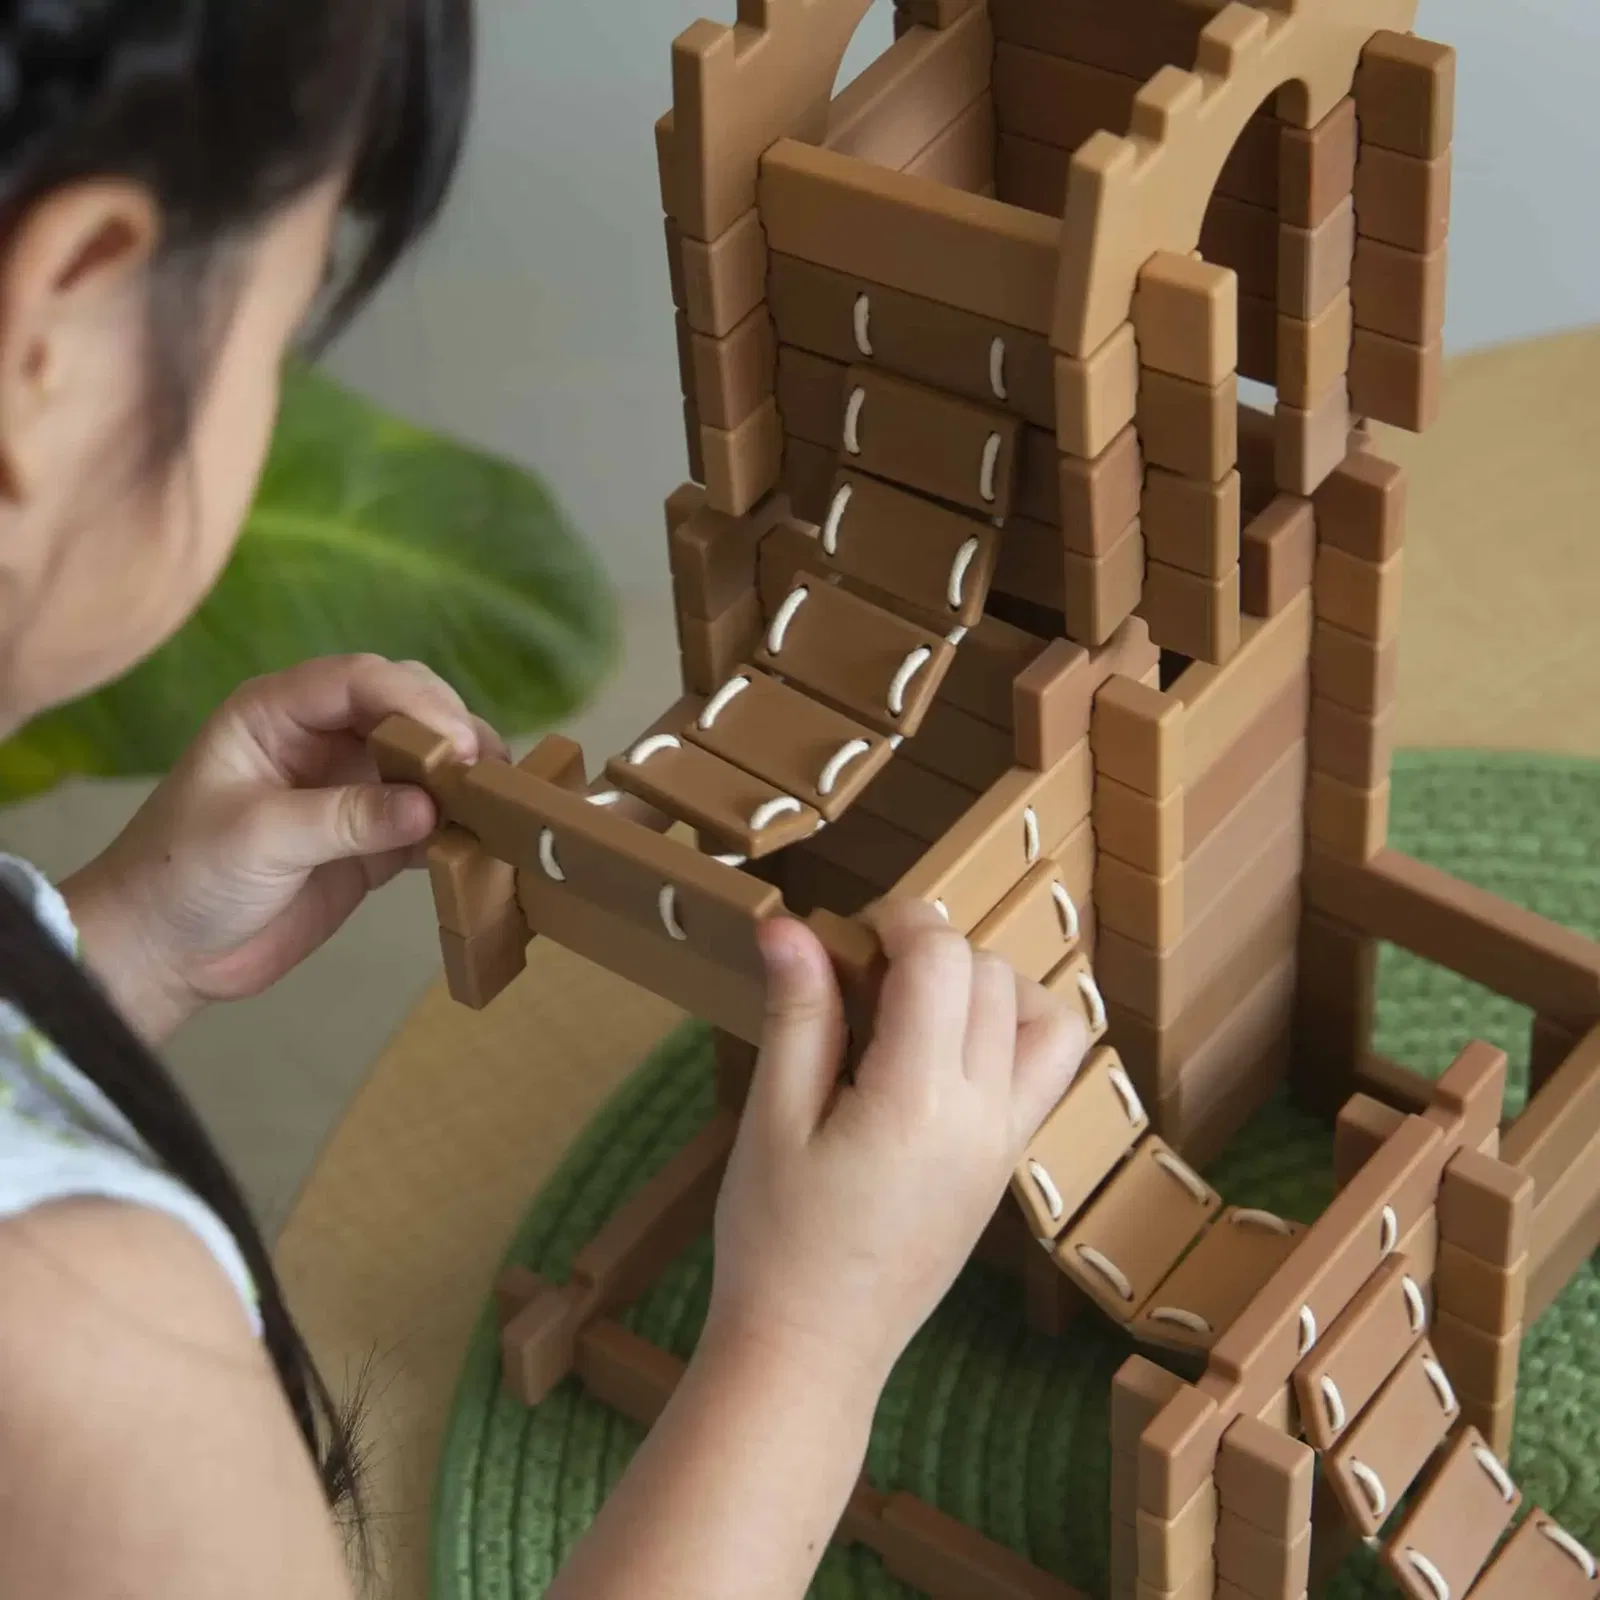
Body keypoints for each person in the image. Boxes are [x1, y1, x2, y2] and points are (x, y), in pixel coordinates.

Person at [0, 5, 1091, 1598]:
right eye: (289, 316)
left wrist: (113, 954)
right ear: (56, 330)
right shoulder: (93, 1368)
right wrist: (809, 1339)